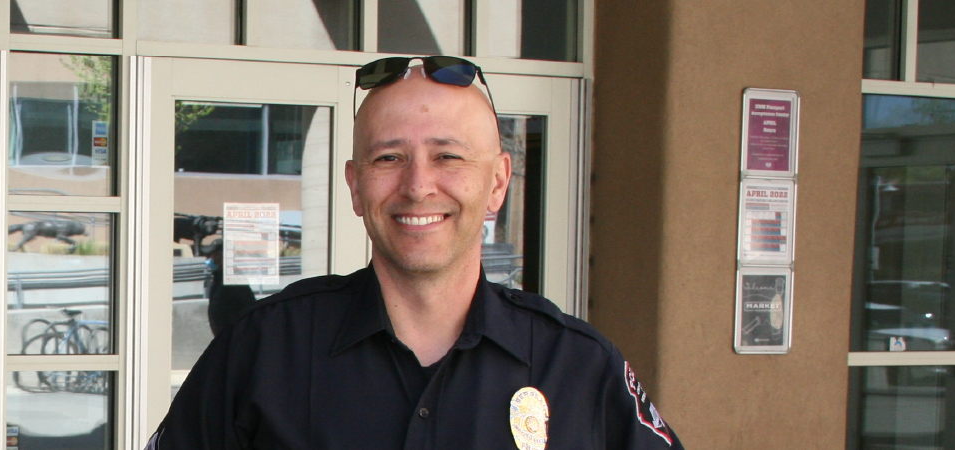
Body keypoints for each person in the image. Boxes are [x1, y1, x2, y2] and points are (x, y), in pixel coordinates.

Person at [148, 56, 682, 449]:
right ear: (355, 187)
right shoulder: (261, 353)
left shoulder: (580, 367)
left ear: (497, 183)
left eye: (448, 155)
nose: (418, 185)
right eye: (389, 158)